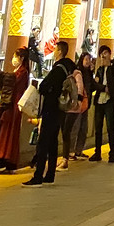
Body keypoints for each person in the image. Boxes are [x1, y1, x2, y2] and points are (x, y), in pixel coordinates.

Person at [24, 38, 75, 185]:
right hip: (59, 110)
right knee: (53, 143)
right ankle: (50, 174)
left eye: (55, 50)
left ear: (59, 51)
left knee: (44, 143)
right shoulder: (67, 68)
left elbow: (45, 86)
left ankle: (38, 175)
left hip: (51, 109)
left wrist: (42, 86)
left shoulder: (58, 69)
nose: (53, 52)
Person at [0, 47, 31, 171]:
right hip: (13, 105)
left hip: (13, 105)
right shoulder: (20, 71)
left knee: (7, 132)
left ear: (21, 58)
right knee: (8, 133)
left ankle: (3, 159)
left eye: (15, 57)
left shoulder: (22, 72)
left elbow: (8, 79)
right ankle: (7, 160)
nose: (13, 60)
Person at [90, 44, 114, 163]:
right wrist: (103, 88)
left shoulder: (113, 67)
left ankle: (112, 153)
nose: (103, 56)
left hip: (109, 101)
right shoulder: (100, 70)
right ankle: (97, 152)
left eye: (105, 53)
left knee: (110, 127)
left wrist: (109, 63)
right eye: (102, 54)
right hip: (99, 101)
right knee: (98, 127)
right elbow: (95, 84)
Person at [59, 55, 89, 168]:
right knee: (66, 132)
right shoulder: (69, 74)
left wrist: (79, 101)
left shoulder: (77, 74)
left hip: (74, 107)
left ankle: (66, 157)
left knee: (68, 131)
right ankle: (65, 156)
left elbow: (80, 88)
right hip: (67, 106)